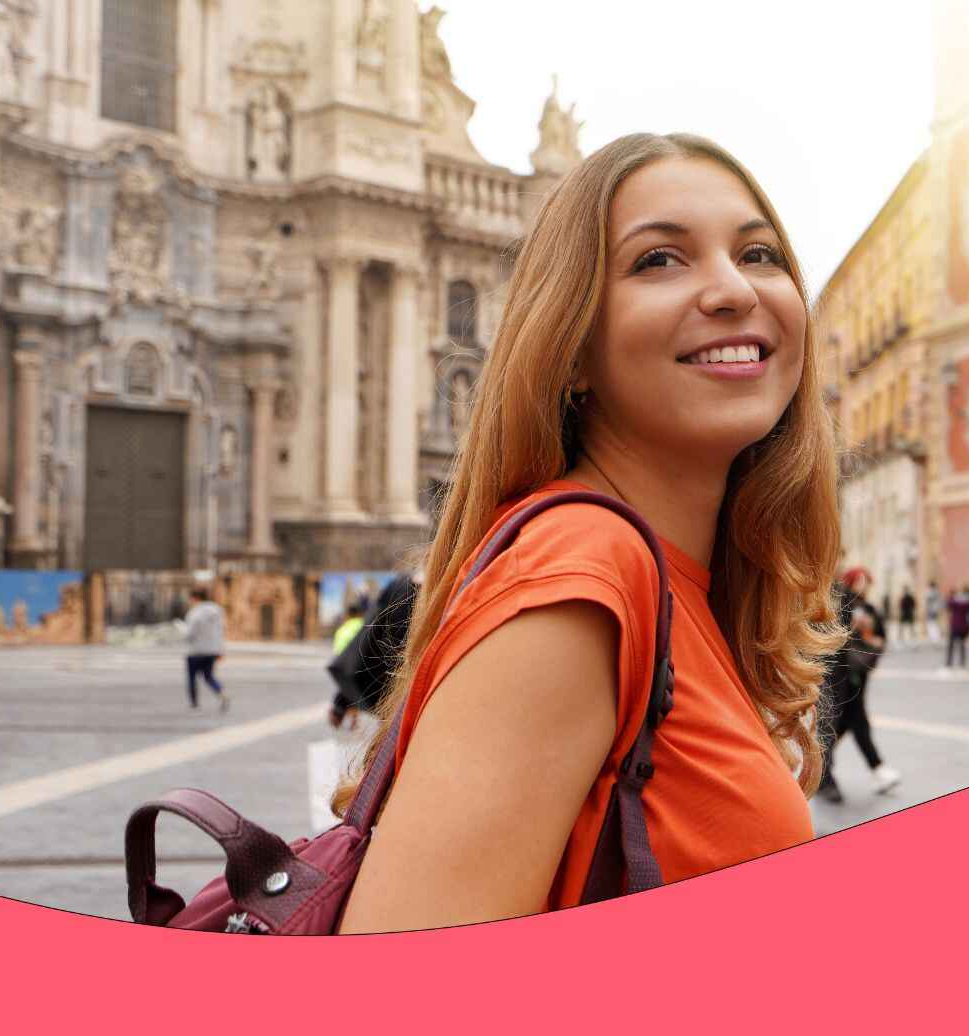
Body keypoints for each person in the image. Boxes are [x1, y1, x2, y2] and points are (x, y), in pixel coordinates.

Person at [334, 133, 845, 932]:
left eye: (759, 253)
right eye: (658, 261)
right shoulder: (580, 579)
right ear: (570, 350)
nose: (732, 289)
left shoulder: (678, 582)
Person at [817, 567, 901, 803]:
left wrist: (870, 635)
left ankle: (821, 772)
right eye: (859, 580)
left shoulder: (870, 608)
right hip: (838, 677)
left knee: (839, 727)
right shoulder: (840, 600)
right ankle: (876, 769)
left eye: (866, 580)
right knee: (850, 724)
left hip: (858, 677)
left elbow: (881, 637)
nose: (862, 585)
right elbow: (830, 634)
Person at [327, 575, 421, 730]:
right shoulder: (406, 588)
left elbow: (365, 641)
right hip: (398, 698)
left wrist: (341, 702)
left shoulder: (401, 584)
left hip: (397, 699)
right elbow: (367, 642)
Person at [183, 586, 228, 713]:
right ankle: (221, 693)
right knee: (208, 676)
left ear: (195, 598)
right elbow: (221, 630)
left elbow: (190, 633)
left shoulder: (194, 613)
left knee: (192, 678)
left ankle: (194, 704)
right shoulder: (217, 610)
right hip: (212, 650)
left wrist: (185, 636)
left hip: (195, 650)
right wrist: (220, 649)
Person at [945, 583, 969, 668]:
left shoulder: (956, 601)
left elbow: (949, 604)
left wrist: (951, 595)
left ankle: (949, 662)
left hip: (955, 625)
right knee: (962, 644)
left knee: (951, 645)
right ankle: (962, 662)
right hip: (964, 625)